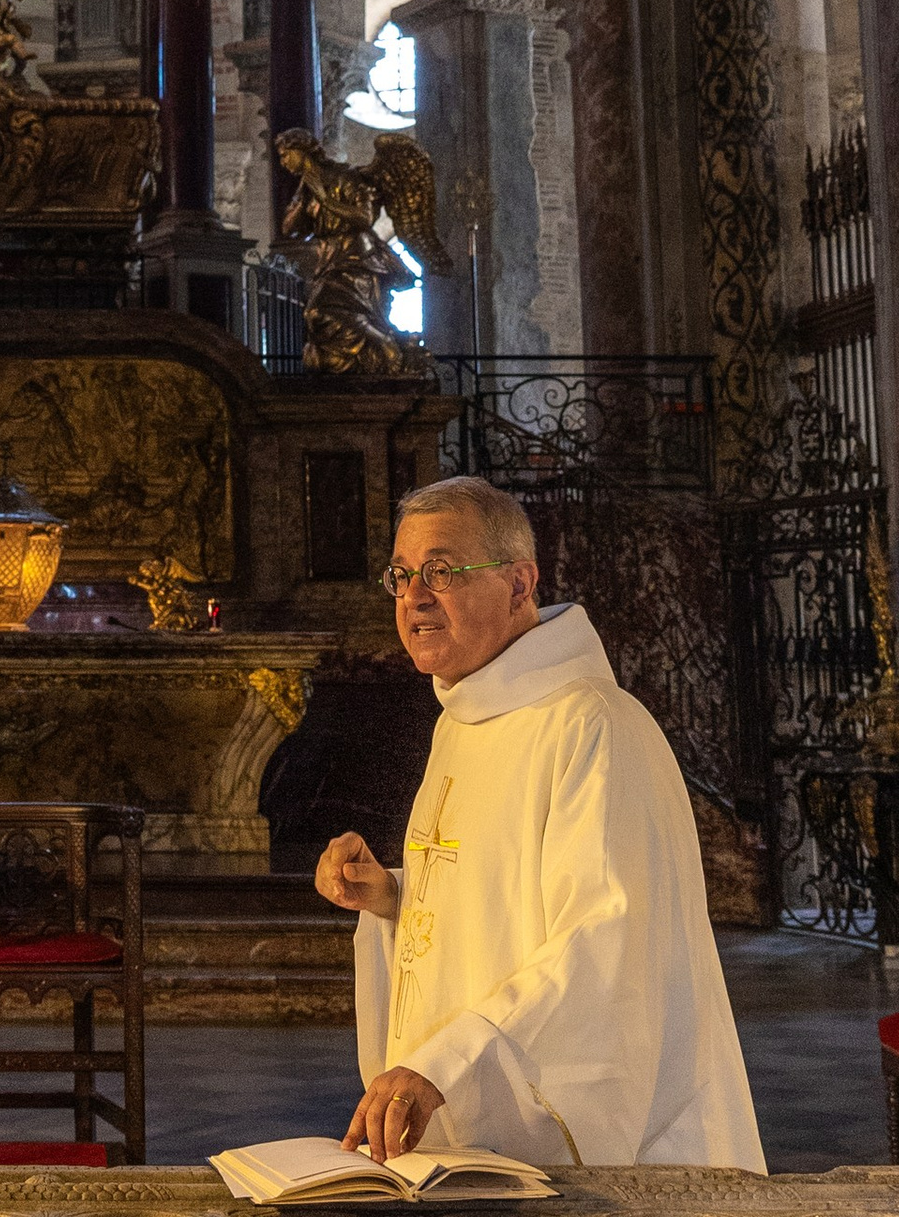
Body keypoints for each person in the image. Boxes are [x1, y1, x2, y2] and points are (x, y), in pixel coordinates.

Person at [315, 476, 763, 1172]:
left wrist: (447, 1061)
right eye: (401, 575)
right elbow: (508, 900)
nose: (414, 596)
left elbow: (605, 936)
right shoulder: (462, 720)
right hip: (473, 1138)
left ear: (519, 583)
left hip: (625, 1156)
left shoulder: (592, 725)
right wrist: (395, 897)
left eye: (441, 570)